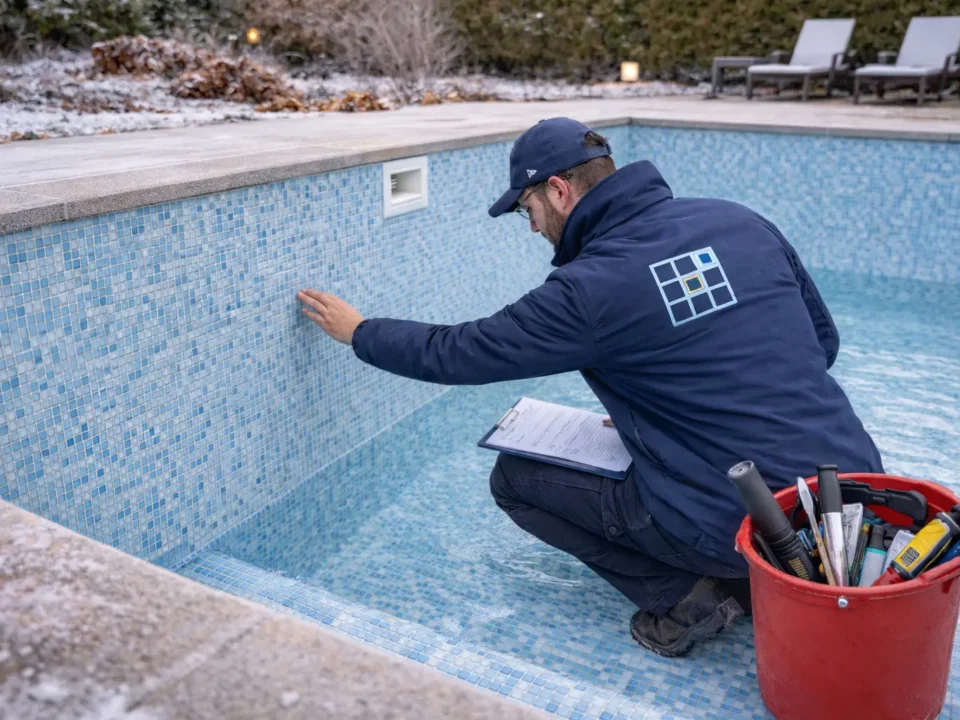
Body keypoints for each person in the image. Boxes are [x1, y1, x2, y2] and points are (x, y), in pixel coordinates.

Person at [295, 117, 884, 657]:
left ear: (558, 190)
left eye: (527, 209)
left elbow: (461, 351)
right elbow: (822, 344)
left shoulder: (591, 288)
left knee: (516, 480)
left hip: (746, 523)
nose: (531, 227)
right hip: (857, 495)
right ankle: (758, 570)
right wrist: (657, 414)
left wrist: (360, 332)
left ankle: (692, 596)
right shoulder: (739, 220)